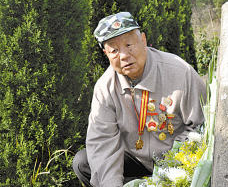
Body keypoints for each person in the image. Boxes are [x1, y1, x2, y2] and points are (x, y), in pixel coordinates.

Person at [72, 12, 207, 187]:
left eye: (129, 44)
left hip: (176, 157)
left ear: (143, 40)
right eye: (114, 50)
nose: (124, 55)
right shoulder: (104, 88)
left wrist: (173, 168)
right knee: (83, 161)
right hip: (136, 158)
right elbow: (102, 142)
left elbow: (201, 126)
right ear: (106, 53)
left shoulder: (180, 72)